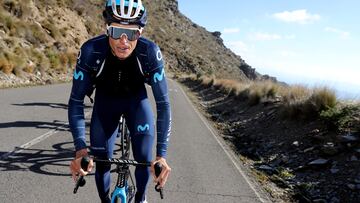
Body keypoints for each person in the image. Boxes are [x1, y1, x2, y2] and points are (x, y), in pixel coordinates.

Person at [68, 0, 172, 202]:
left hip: (136, 101)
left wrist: (161, 156)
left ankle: (141, 198)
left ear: (140, 33)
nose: (124, 41)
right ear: (107, 29)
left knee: (144, 159)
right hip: (105, 102)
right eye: (116, 32)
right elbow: (75, 101)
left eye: (132, 33)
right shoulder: (91, 51)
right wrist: (80, 150)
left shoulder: (150, 52)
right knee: (102, 162)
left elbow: (164, 104)